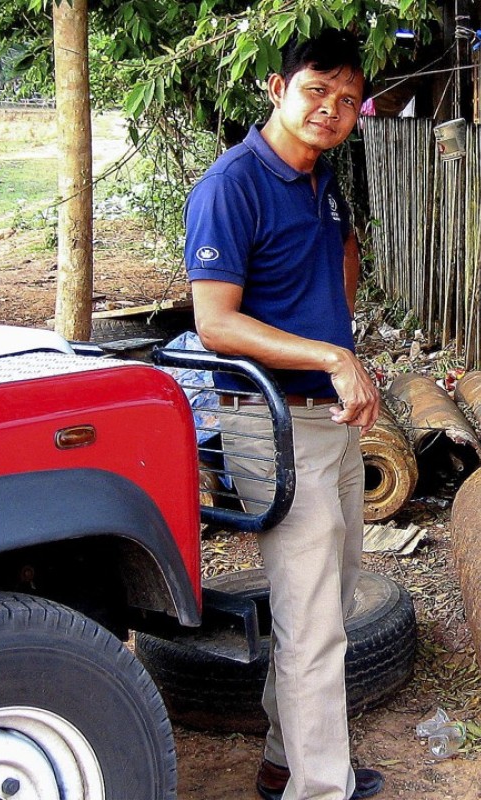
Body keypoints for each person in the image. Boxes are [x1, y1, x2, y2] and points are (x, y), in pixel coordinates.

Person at [183, 29, 383, 800]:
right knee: (312, 618)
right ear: (276, 87)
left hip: (326, 421)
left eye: (345, 100)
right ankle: (319, 791)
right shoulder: (231, 185)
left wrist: (338, 330)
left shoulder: (319, 178)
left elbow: (342, 250)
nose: (329, 110)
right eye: (315, 91)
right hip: (270, 421)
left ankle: (283, 761)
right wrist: (333, 355)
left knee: (328, 600)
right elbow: (215, 323)